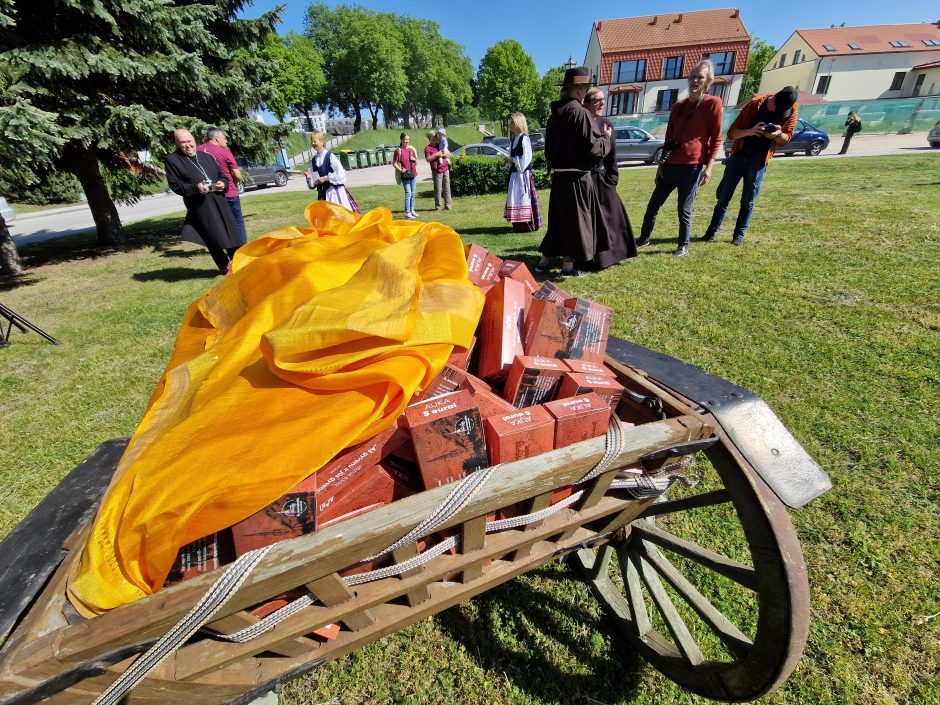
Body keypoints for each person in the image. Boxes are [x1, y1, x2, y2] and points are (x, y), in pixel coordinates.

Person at [636, 60, 723, 257]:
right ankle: (644, 238)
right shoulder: (678, 106)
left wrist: (709, 167)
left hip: (692, 166)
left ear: (707, 81)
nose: (695, 80)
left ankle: (683, 245)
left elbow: (716, 139)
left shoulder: (713, 103)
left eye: (700, 77)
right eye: (692, 76)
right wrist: (661, 165)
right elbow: (669, 138)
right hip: (670, 165)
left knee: (684, 209)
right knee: (653, 206)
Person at [537, 66, 612, 277]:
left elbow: (549, 150)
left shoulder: (554, 117)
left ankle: (544, 261)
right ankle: (568, 267)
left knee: (560, 221)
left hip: (560, 177)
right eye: (586, 87)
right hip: (578, 178)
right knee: (577, 223)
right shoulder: (580, 113)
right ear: (579, 89)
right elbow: (593, 149)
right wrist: (605, 138)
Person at [701, 85, 799, 247]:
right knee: (723, 197)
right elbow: (732, 133)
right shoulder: (755, 105)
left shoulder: (791, 110)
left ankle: (738, 235)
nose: (778, 113)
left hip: (759, 162)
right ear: (773, 99)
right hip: (738, 156)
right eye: (777, 109)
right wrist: (751, 131)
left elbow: (785, 139)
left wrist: (777, 135)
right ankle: (711, 232)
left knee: (748, 201)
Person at [164, 128, 242, 274]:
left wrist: (222, 183)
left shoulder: (207, 156)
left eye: (189, 141)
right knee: (213, 237)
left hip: (219, 200)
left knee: (230, 232)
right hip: (200, 205)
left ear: (194, 140)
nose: (187, 145)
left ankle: (238, 262)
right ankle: (225, 267)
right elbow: (175, 185)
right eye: (183, 143)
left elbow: (222, 175)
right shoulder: (172, 160)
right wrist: (195, 188)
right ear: (177, 144)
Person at [583, 87, 636, 266]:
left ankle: (616, 253)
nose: (602, 104)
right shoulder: (582, 121)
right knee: (590, 219)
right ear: (586, 102)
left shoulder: (606, 123)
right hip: (586, 179)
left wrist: (612, 177)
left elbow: (611, 153)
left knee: (613, 215)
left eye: (603, 100)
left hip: (602, 178)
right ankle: (596, 258)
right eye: (597, 100)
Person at [198, 127, 247, 245]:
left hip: (209, 194)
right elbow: (237, 175)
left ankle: (224, 245)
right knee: (237, 222)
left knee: (219, 222)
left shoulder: (198, 150)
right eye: (224, 138)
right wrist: (234, 182)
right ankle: (242, 247)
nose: (226, 141)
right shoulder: (224, 151)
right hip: (228, 192)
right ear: (216, 138)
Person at [503, 112, 542, 233]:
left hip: (522, 174)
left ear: (519, 123)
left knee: (523, 197)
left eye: (513, 122)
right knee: (515, 197)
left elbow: (526, 159)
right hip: (516, 174)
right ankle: (518, 225)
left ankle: (527, 225)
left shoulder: (524, 138)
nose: (511, 125)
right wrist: (509, 160)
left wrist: (512, 160)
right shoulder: (515, 139)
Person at [309, 131, 361, 213]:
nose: (312, 143)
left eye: (314, 141)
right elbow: (313, 184)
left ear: (322, 141)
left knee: (340, 216)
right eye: (311, 141)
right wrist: (309, 178)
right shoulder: (314, 160)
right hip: (323, 194)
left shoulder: (330, 156)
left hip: (335, 192)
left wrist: (326, 178)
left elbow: (341, 175)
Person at [393, 132, 419, 219]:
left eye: (408, 139)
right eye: (405, 139)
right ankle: (407, 212)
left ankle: (412, 210)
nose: (407, 141)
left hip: (413, 174)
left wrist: (414, 159)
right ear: (401, 140)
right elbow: (394, 163)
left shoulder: (411, 150)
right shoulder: (398, 150)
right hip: (405, 175)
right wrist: (400, 170)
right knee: (408, 193)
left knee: (413, 193)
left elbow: (416, 162)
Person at [424, 130, 452, 211]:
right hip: (436, 171)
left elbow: (449, 154)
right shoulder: (427, 148)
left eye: (435, 136)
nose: (434, 138)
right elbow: (428, 159)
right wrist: (436, 154)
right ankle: (438, 207)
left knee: (447, 188)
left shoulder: (440, 144)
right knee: (438, 190)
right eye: (432, 137)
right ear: (429, 138)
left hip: (445, 169)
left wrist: (442, 154)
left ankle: (448, 206)